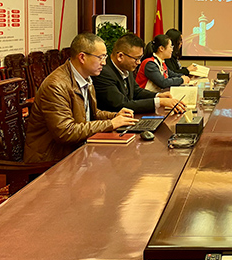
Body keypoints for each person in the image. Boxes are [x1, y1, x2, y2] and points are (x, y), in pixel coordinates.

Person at [24, 33, 138, 163]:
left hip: (77, 150)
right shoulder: (56, 86)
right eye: (100, 57)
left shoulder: (86, 78)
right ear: (82, 57)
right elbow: (66, 132)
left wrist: (116, 116)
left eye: (105, 57)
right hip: (52, 160)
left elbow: (91, 114)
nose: (104, 63)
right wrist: (111, 124)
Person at [93, 33, 182, 113]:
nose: (139, 62)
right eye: (136, 58)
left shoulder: (127, 67)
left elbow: (136, 92)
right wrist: (159, 102)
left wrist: (158, 96)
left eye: (140, 58)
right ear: (120, 56)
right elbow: (121, 104)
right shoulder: (103, 73)